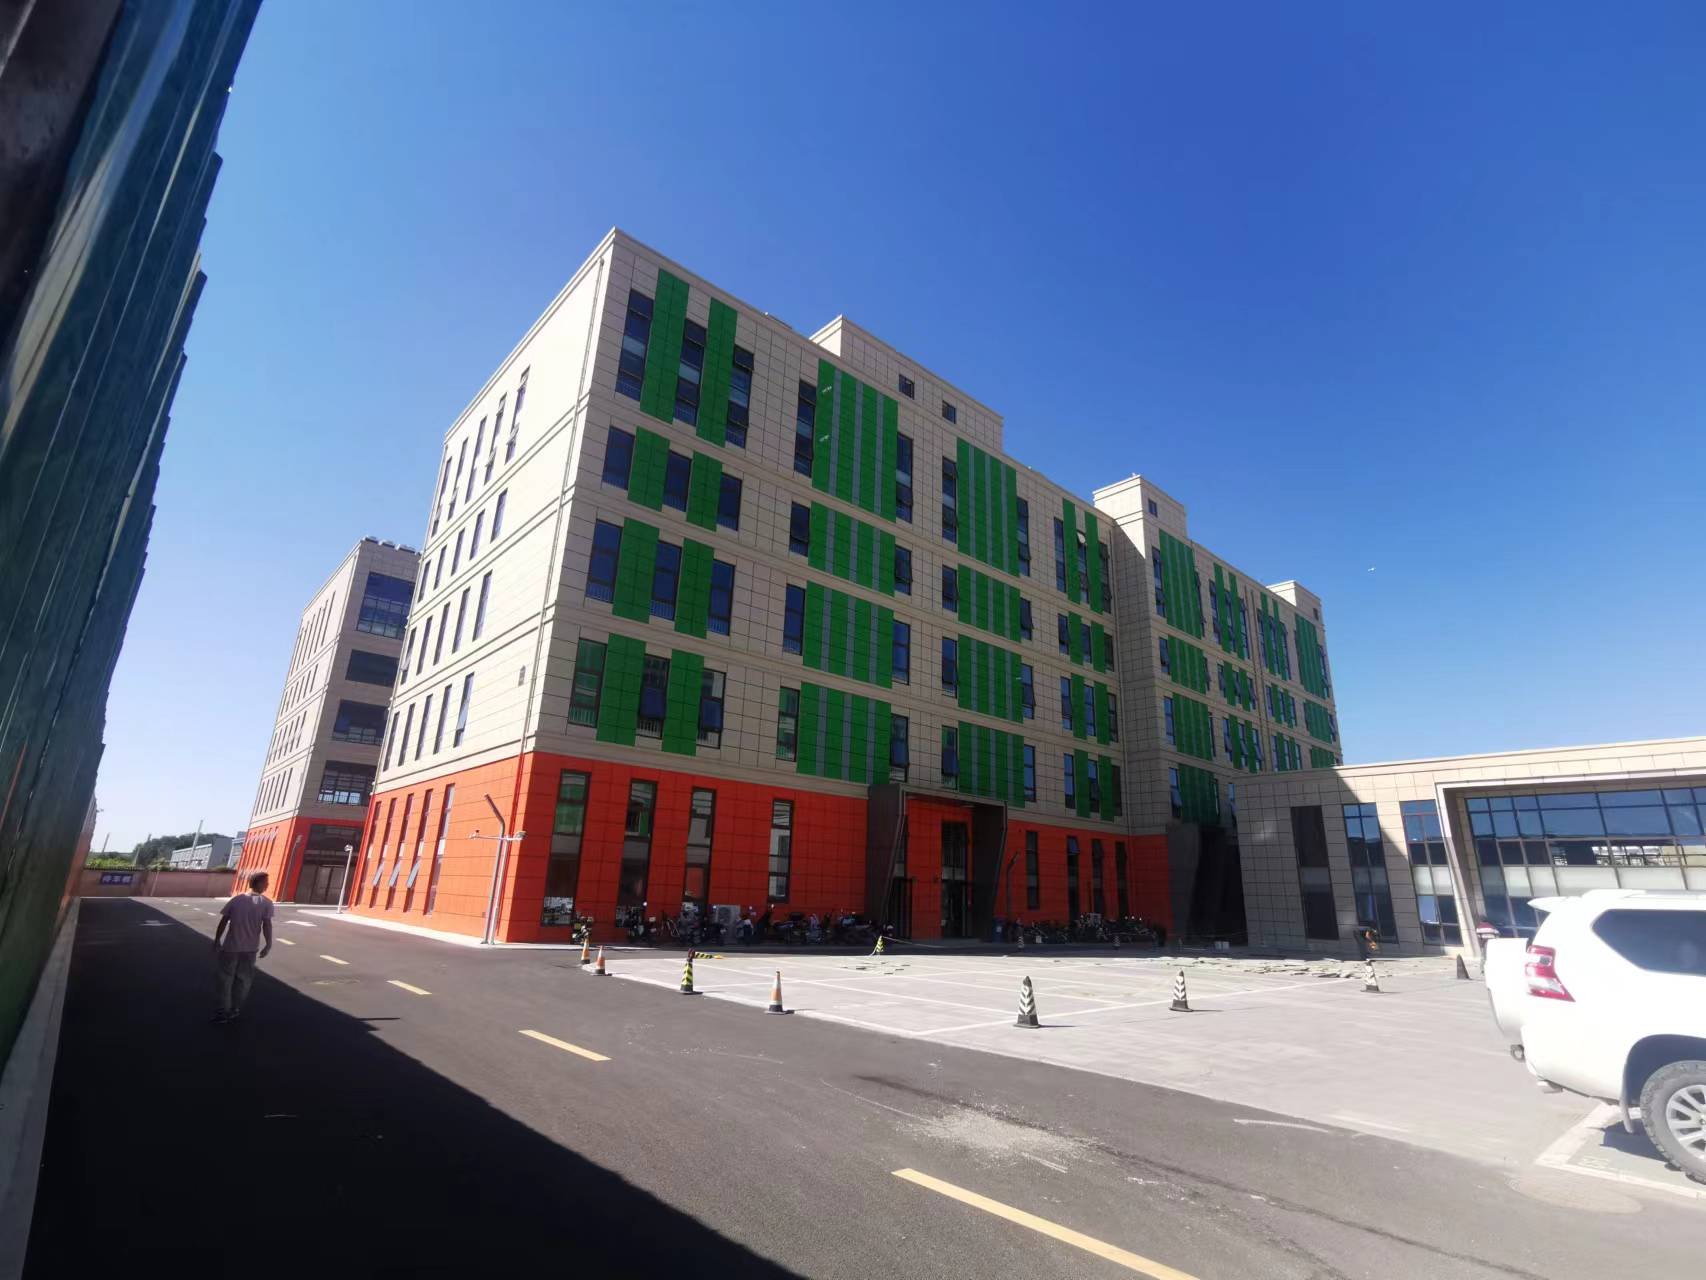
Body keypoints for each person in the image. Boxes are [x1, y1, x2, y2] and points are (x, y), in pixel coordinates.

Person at [212, 871, 275, 1023]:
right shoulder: (266, 903)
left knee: (225, 979)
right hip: (250, 949)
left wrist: (217, 940)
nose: (267, 885)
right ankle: (235, 1009)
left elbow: (223, 921)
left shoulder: (237, 900)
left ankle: (223, 1010)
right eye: (266, 883)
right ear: (258, 883)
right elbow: (267, 925)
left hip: (231, 947)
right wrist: (268, 944)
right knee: (243, 979)